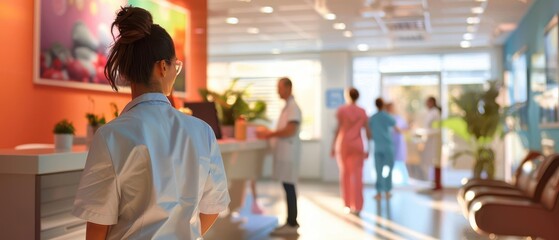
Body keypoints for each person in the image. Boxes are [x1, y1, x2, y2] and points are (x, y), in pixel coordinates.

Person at [72, 7, 230, 239]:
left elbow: (97, 225)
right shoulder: (202, 132)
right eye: (175, 66)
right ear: (162, 67)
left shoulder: (111, 136)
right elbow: (213, 207)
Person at [257, 77, 302, 235]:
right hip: (285, 153)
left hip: (288, 154)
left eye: (279, 88)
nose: (277, 91)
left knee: (289, 187)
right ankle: (291, 222)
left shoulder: (293, 108)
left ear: (288, 88)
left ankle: (291, 223)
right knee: (288, 187)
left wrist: (270, 133)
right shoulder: (288, 107)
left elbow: (291, 130)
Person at [331, 88, 371, 215]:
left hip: (344, 145)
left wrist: (332, 146)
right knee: (358, 176)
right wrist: (369, 148)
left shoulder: (342, 110)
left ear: (347, 96)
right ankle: (358, 207)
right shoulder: (362, 111)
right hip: (358, 145)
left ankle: (347, 204)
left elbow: (338, 129)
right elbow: (368, 131)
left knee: (345, 175)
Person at [369, 98, 399, 199]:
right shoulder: (387, 116)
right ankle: (387, 191)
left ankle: (378, 192)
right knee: (387, 169)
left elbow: (369, 133)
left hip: (378, 147)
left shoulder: (372, 118)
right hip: (387, 147)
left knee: (378, 170)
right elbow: (396, 127)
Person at [420, 96, 443, 190]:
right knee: (433, 162)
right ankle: (434, 183)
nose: (426, 104)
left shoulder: (435, 113)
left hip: (435, 141)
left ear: (432, 102)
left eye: (428, 102)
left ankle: (437, 185)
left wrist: (424, 132)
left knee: (436, 162)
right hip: (431, 140)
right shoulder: (431, 113)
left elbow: (435, 129)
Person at [386, 102, 410, 184]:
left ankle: (405, 182)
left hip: (398, 142)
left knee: (400, 163)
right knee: (389, 164)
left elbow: (405, 128)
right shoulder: (386, 118)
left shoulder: (398, 118)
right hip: (389, 143)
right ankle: (388, 183)